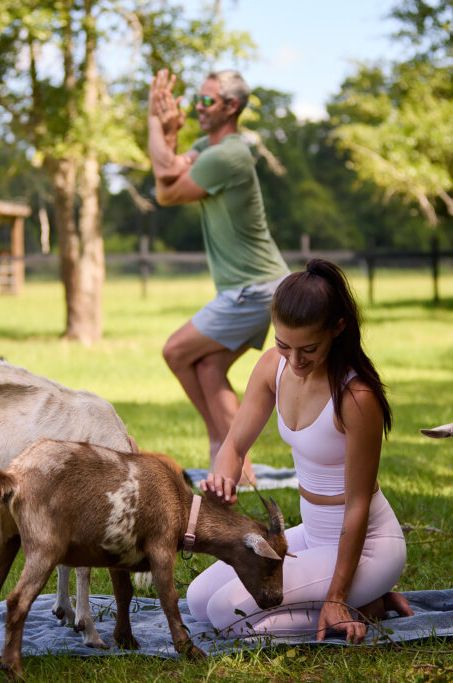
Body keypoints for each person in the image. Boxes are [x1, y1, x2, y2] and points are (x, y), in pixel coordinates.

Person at [188, 259, 413, 642]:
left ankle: (364, 603)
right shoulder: (273, 367)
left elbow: (358, 505)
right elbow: (234, 445)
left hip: (366, 548)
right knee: (198, 600)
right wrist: (223, 477)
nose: (294, 361)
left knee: (228, 613)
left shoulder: (357, 398)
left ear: (337, 329)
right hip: (313, 534)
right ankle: (357, 597)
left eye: (308, 348)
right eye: (283, 344)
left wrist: (338, 596)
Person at [147, 68, 289, 481]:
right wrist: (171, 135)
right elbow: (164, 185)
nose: (197, 107)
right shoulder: (206, 149)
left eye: (207, 101)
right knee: (208, 367)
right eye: (197, 99)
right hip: (255, 288)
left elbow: (168, 183)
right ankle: (236, 466)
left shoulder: (228, 155)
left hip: (254, 289)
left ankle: (221, 447)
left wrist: (155, 122)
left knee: (175, 351)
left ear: (232, 106)